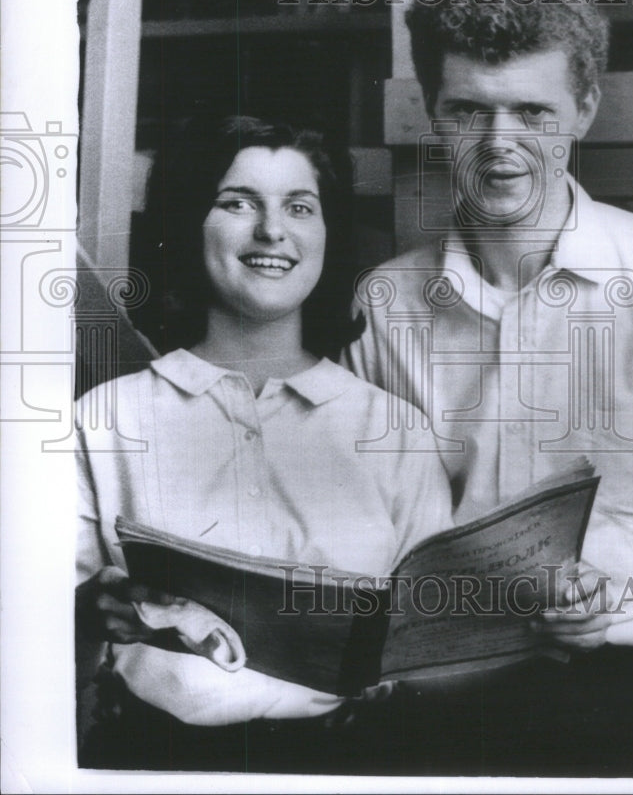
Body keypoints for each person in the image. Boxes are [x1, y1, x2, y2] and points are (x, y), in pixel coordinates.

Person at [344, 0, 633, 776]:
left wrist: (628, 601)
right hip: (433, 689)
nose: (500, 147)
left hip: (627, 691)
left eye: (532, 113)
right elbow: (369, 518)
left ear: (584, 111)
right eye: (468, 110)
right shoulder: (387, 300)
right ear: (435, 114)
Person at [75, 116, 452, 773]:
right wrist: (94, 610)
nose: (272, 231)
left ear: (326, 234)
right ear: (187, 222)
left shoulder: (394, 429)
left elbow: (438, 648)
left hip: (356, 760)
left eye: (299, 207)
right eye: (237, 202)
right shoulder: (102, 419)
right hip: (148, 758)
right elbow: (30, 636)